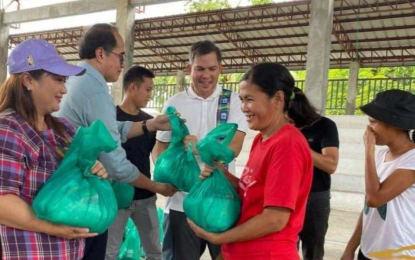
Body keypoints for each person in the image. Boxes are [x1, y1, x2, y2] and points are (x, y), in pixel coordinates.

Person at [55, 24, 176, 260]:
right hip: (83, 193)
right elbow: (116, 165)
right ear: (101, 54)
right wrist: (158, 188)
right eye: (120, 56)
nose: (123, 64)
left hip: (66, 189)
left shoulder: (76, 79)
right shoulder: (95, 91)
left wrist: (149, 125)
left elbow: (106, 129)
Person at [187, 62, 313, 260]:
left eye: (250, 100)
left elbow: (275, 219)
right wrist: (223, 175)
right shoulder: (261, 139)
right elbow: (252, 192)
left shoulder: (287, 144)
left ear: (278, 98)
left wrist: (219, 238)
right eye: (241, 100)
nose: (244, 108)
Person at [0, 39, 108, 260]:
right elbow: (2, 201)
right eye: (58, 79)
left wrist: (93, 170)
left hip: (68, 252)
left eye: (64, 80)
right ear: (28, 80)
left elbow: (75, 178)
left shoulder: (64, 130)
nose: (64, 89)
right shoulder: (8, 130)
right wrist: (55, 229)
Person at [153, 40, 248, 260]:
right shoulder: (175, 103)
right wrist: (166, 176)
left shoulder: (233, 101)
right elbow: (160, 148)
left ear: (220, 69)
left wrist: (198, 149)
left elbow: (234, 147)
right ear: (189, 69)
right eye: (200, 69)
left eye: (212, 69)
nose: (206, 75)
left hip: (221, 200)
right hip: (180, 204)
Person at [341, 90, 415, 260]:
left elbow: (374, 199)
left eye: (373, 122)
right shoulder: (382, 155)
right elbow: (368, 210)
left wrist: (369, 149)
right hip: (369, 250)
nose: (368, 128)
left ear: (394, 124)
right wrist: (351, 248)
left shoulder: (412, 159)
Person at [105, 66, 161, 260]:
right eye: (147, 89)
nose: (150, 94)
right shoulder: (110, 118)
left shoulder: (151, 122)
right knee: (109, 252)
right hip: (115, 197)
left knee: (154, 249)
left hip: (145, 196)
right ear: (132, 87)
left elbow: (155, 154)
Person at [286, 87, 339, 260]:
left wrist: (298, 141)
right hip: (285, 197)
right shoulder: (276, 127)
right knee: (285, 247)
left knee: (313, 250)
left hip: (315, 197)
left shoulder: (324, 126)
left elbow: (330, 165)